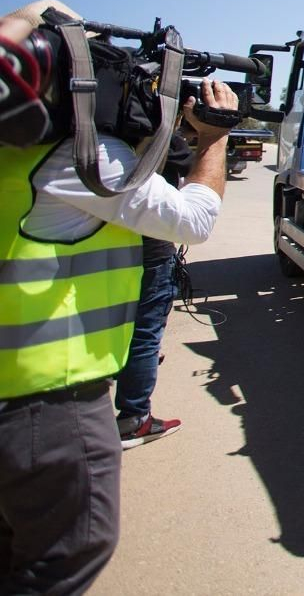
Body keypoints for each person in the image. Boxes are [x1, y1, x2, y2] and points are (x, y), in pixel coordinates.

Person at [0, 0, 236, 593]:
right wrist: (213, 139)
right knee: (70, 553)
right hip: (43, 399)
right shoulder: (85, 158)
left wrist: (39, 13)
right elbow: (195, 220)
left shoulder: (15, 154)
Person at [113, 134, 194, 448]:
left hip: (106, 245)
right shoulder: (157, 135)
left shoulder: (90, 142)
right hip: (151, 247)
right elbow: (190, 169)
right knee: (144, 334)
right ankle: (134, 418)